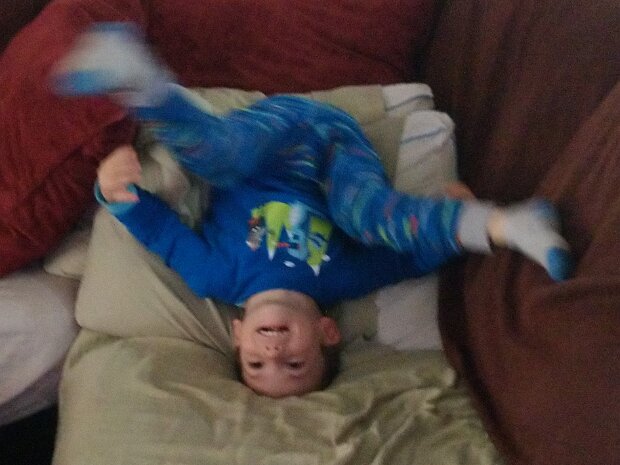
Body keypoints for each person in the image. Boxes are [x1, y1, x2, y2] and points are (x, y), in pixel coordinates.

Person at [53, 22, 573, 398]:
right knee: (370, 219)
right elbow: (410, 257)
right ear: (327, 333)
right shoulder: (342, 278)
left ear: (237, 336)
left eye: (256, 365)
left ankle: (136, 80)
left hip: (262, 144)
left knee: (218, 159)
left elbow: (163, 235)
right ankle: (506, 224)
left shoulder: (216, 275)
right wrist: (452, 223)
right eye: (295, 364)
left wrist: (115, 191)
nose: (273, 354)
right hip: (336, 154)